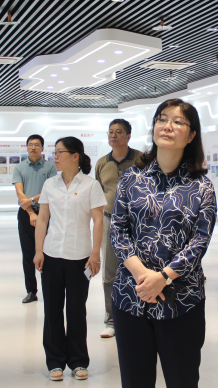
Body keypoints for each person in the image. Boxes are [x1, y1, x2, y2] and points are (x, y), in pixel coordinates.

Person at [110, 98, 216, 388]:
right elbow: (118, 230)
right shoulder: (131, 178)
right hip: (131, 296)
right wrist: (142, 275)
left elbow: (199, 241)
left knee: (182, 380)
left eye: (178, 122)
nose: (168, 126)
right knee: (135, 381)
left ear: (191, 135)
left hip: (182, 300)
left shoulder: (201, 187)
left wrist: (164, 277)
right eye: (162, 119)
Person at [34, 136, 105, 382]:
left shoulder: (90, 185)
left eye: (60, 152)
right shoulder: (49, 184)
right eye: (54, 152)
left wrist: (95, 253)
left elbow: (98, 221)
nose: (55, 156)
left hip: (79, 258)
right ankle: (54, 361)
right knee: (52, 310)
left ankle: (78, 360)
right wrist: (38, 250)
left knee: (76, 311)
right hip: (52, 254)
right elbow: (43, 219)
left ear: (75, 156)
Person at [94, 119, 143, 339]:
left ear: (128, 136)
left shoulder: (142, 160)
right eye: (111, 132)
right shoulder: (102, 163)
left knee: (140, 268)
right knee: (110, 272)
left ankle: (140, 315)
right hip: (110, 221)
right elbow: (99, 192)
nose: (113, 136)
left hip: (138, 222)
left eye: (119, 132)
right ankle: (111, 319)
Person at [13, 134, 57, 303]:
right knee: (28, 253)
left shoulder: (50, 167)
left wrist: (31, 200)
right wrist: (31, 212)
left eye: (37, 145)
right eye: (30, 144)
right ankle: (31, 290)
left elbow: (49, 190)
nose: (33, 147)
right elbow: (19, 192)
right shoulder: (19, 168)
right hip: (26, 214)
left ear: (42, 148)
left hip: (46, 212)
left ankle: (49, 287)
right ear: (26, 147)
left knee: (48, 251)